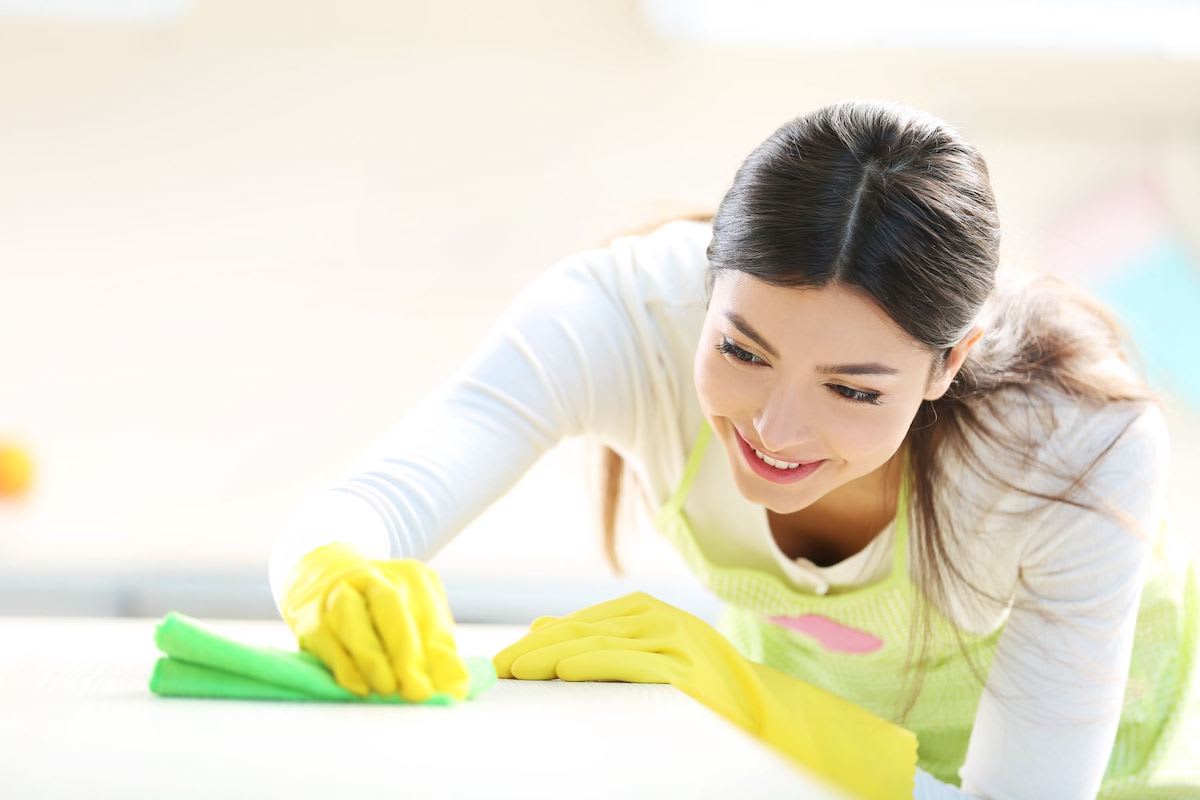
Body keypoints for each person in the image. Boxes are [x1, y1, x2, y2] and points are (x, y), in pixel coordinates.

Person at [268, 100, 1199, 798]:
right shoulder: (627, 314)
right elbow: (376, 503)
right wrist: (331, 570)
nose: (776, 429)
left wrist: (748, 700)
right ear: (708, 282)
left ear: (945, 364)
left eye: (852, 389)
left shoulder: (1075, 448)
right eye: (741, 351)